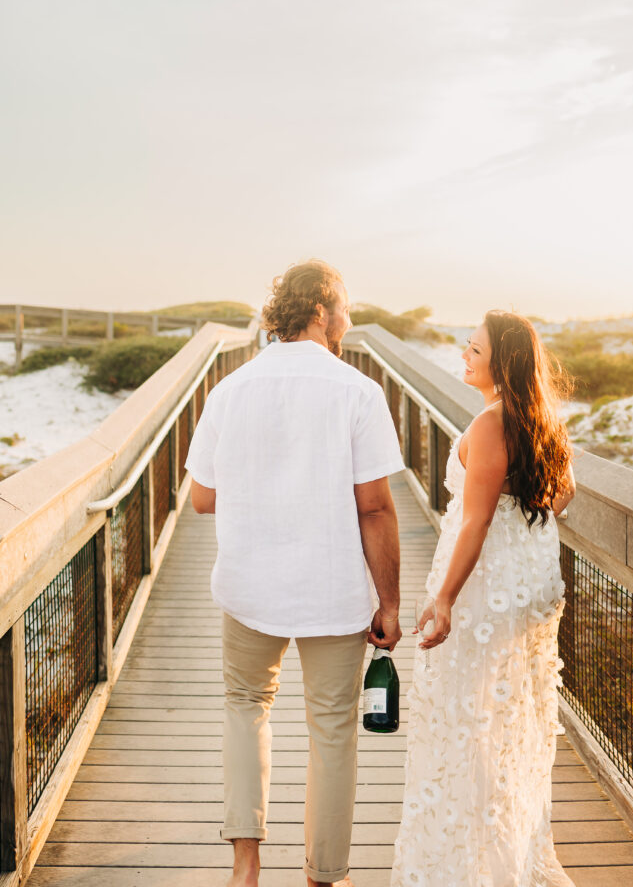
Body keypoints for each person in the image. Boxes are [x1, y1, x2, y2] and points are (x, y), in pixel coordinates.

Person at [185, 260, 404, 887]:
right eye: (347, 310)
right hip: (332, 590)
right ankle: (322, 876)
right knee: (332, 729)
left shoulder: (231, 389)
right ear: (324, 309)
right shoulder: (356, 391)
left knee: (244, 708)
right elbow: (376, 506)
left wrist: (264, 493)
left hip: (249, 586)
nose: (352, 322)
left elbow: (202, 497)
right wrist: (388, 604)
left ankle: (246, 867)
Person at [391, 311, 576, 887]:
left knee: (467, 718)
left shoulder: (493, 423)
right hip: (519, 586)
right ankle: (502, 851)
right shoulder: (538, 418)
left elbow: (472, 522)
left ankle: (470, 866)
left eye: (475, 350)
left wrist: (444, 597)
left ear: (504, 362)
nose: (464, 356)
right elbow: (561, 495)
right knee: (504, 718)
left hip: (485, 594)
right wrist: (516, 531)